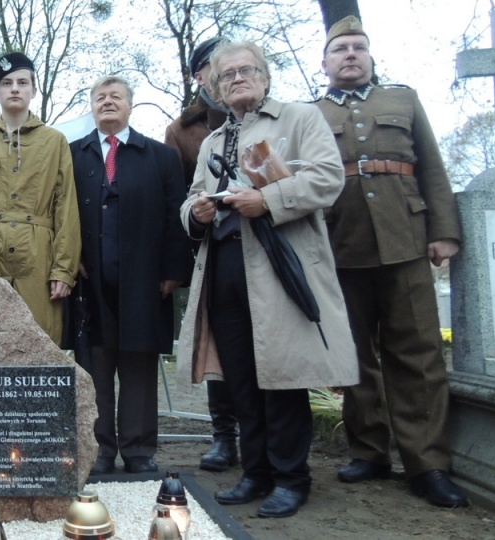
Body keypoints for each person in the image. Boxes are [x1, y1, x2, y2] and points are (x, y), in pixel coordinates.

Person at [178, 40, 358, 518]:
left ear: (265, 76)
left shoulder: (299, 119)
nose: (237, 79)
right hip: (224, 266)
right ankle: (255, 472)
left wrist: (269, 201)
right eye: (227, 75)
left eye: (246, 70)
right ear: (214, 87)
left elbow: (326, 178)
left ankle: (290, 478)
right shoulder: (214, 141)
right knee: (240, 377)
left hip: (280, 264)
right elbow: (193, 196)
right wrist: (195, 213)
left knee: (281, 374)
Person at [314, 16, 468, 508]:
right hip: (341, 245)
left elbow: (432, 165)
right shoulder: (309, 113)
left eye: (359, 47)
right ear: (325, 63)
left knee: (418, 353)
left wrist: (444, 231)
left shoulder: (403, 100)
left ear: (372, 57)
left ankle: (428, 463)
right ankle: (369, 451)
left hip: (406, 241)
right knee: (354, 355)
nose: (351, 55)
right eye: (340, 49)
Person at [71, 76, 191, 475]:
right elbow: (60, 213)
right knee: (96, 365)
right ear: (92, 106)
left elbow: (177, 215)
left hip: (146, 280)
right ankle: (100, 449)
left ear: (130, 106)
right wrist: (70, 259)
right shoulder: (72, 155)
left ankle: (139, 449)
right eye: (100, 97)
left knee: (139, 362)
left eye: (115, 96)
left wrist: (174, 270)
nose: (107, 102)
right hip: (91, 279)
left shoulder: (160, 156)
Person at [0, 52, 80, 345]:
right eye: (6, 83)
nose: (15, 88)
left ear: (34, 89)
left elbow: (66, 206)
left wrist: (64, 268)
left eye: (23, 82)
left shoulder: (54, 141)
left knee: (41, 343)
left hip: (39, 259)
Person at [163, 36, 239, 473]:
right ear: (200, 76)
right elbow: (175, 201)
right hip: (212, 253)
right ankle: (224, 436)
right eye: (217, 64)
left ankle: (270, 440)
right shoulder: (185, 131)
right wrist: (181, 264)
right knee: (219, 349)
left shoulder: (275, 115)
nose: (229, 70)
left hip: (269, 251)